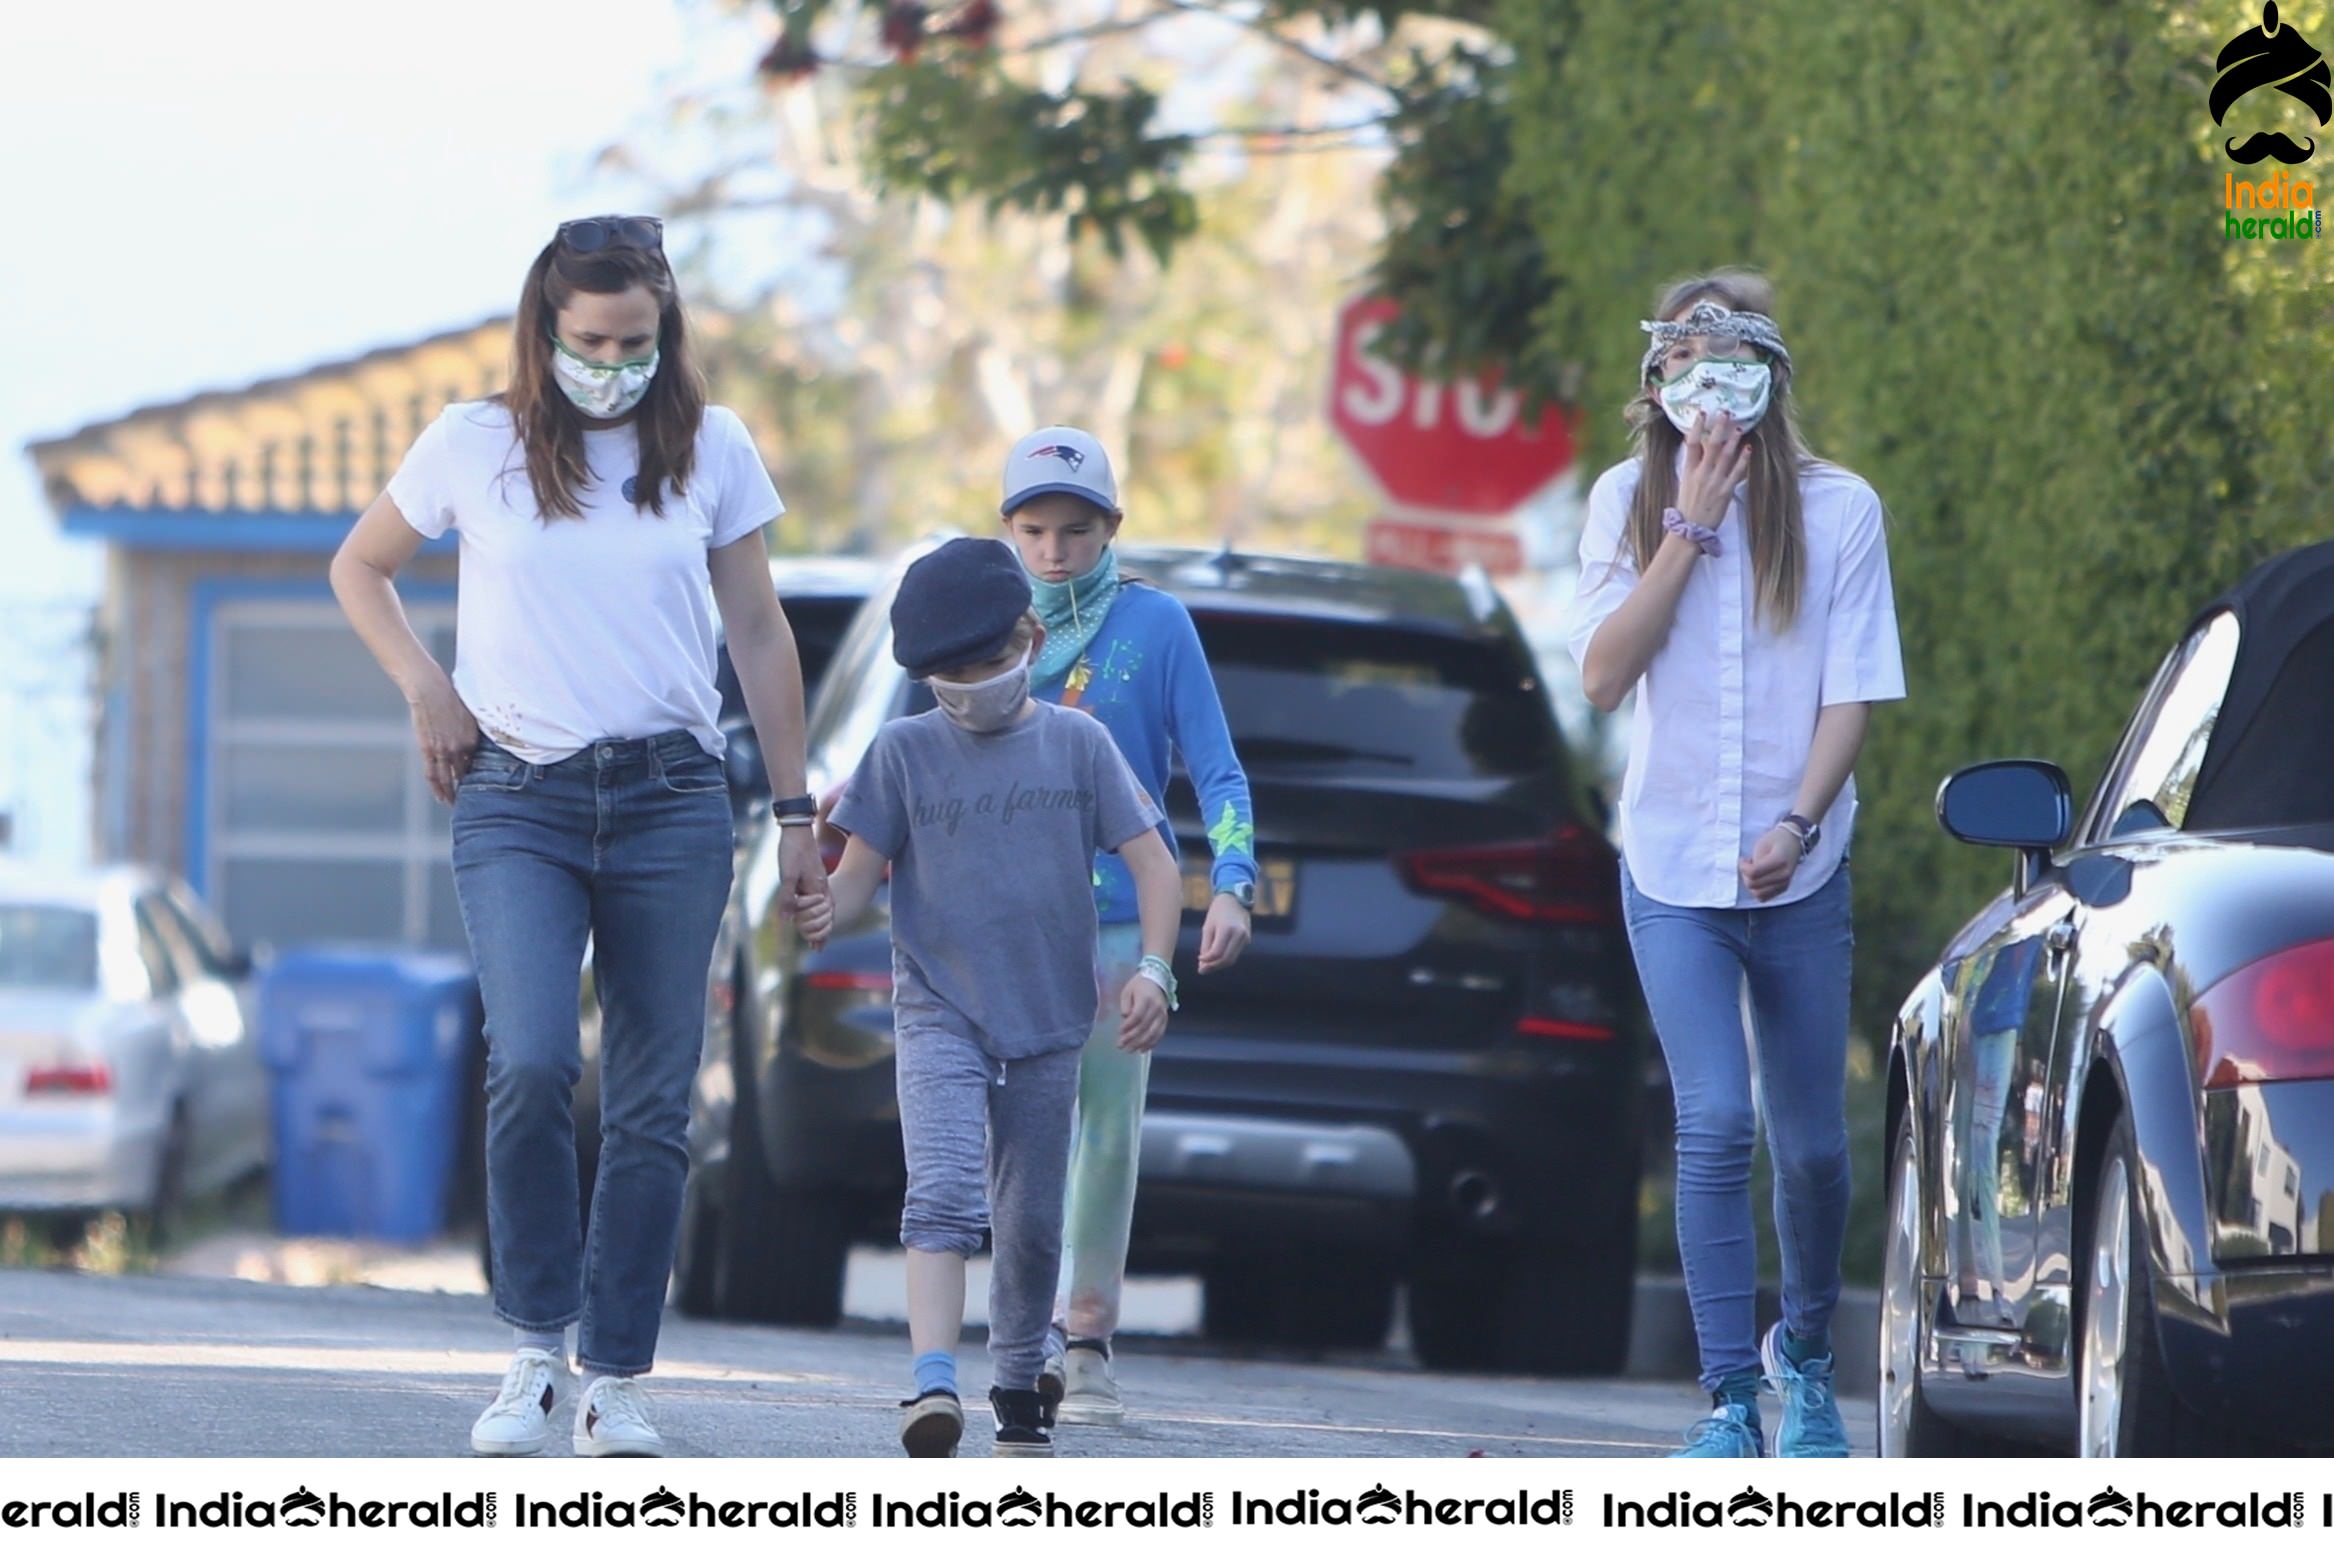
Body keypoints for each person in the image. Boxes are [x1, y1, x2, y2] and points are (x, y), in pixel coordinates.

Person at [331, 214, 830, 1457]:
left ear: (670, 332)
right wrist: (427, 689)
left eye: (639, 340)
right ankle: (534, 1353)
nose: (615, 360)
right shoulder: (475, 442)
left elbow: (760, 632)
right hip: (517, 794)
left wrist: (796, 807)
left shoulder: (713, 447)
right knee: (537, 1060)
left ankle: (617, 1376)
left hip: (670, 798)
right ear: (545, 327)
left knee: (655, 1097)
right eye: (592, 339)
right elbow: (360, 567)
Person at [1566, 268, 1905, 1458]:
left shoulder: (1839, 508)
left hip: (1797, 869)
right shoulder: (1622, 500)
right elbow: (1604, 678)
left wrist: (1799, 824)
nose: (1710, 394)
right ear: (1655, 382)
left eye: (1734, 370)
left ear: (1771, 381)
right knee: (1714, 1121)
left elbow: (1853, 694)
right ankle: (1727, 1401)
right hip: (1669, 868)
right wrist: (1688, 528)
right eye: (1686, 369)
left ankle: (1804, 1360)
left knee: (1812, 1144)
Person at [795, 537, 1185, 1459]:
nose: (973, 683)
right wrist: (814, 886)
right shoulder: (901, 754)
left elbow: (1156, 861)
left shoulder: (1077, 745)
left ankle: (1018, 1383)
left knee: (1031, 1215)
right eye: (951, 672)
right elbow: (851, 891)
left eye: (990, 660)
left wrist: (1156, 969)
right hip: (938, 1009)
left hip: (1052, 1020)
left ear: (1029, 638)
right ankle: (932, 1382)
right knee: (939, 1194)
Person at [989, 427, 1257, 1427]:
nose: (1055, 550)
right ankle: (1021, 1332)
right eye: (1034, 528)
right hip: (1005, 926)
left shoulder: (1158, 624)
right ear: (1008, 530)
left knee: (1105, 1132)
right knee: (1014, 1133)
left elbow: (1217, 768)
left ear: (1112, 528)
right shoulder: (988, 624)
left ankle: (1087, 1339)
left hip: (1118, 926)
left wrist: (1230, 880)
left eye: (1077, 528)